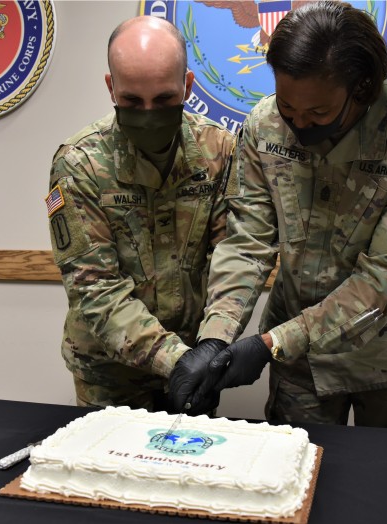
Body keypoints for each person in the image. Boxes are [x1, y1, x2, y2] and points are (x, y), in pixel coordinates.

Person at [170, 0, 387, 430]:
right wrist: (216, 335)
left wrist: (272, 344)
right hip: (299, 370)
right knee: (295, 484)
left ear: (361, 88)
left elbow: (382, 279)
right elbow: (247, 240)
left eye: (318, 113)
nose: (299, 124)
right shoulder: (264, 126)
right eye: (289, 108)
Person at [45, 16, 234, 411]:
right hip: (109, 376)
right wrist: (175, 360)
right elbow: (94, 288)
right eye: (132, 101)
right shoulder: (80, 163)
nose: (148, 113)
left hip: (196, 363)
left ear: (187, 86)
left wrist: (213, 346)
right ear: (111, 88)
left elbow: (231, 260)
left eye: (164, 100)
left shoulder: (220, 153)